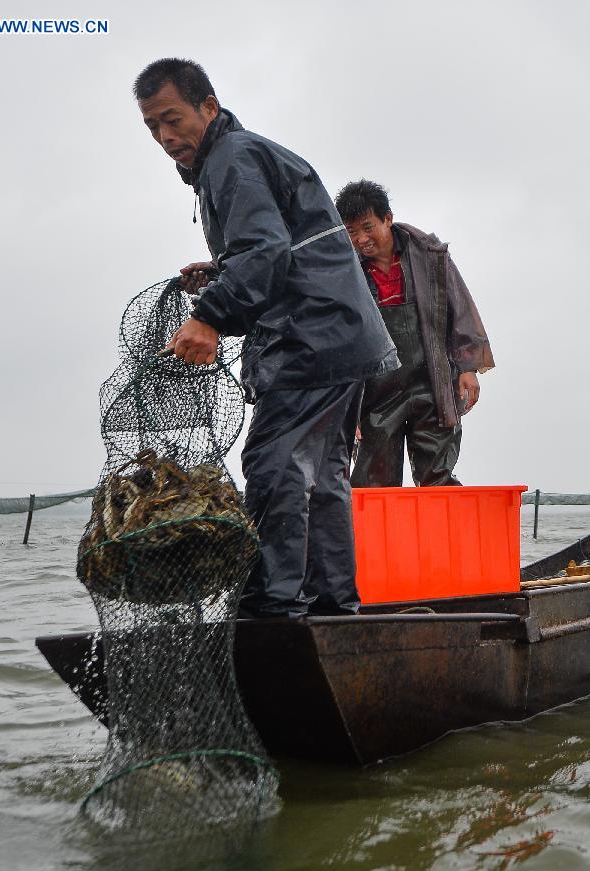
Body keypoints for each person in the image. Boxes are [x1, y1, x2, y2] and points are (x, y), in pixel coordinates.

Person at [134, 59, 397, 617]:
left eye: (173, 119)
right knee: (324, 479)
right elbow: (284, 246)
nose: (165, 137)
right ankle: (332, 607)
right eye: (153, 127)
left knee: (274, 462)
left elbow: (266, 253)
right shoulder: (237, 158)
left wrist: (209, 315)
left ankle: (272, 608)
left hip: (311, 339)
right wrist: (220, 270)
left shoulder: (232, 157)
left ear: (209, 107)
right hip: (341, 338)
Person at [334, 180, 494, 487]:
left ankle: (442, 533)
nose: (361, 239)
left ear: (388, 218)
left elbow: (459, 309)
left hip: (430, 380)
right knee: (373, 479)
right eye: (352, 232)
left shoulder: (430, 255)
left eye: (368, 227)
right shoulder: (345, 271)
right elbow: (340, 340)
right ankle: (378, 536)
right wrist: (347, 407)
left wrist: (467, 368)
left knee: (438, 476)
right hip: (375, 393)